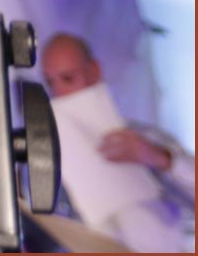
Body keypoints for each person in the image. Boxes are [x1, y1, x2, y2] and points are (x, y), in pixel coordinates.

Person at [41, 32, 194, 252]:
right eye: (50, 83)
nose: (58, 92)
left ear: (94, 71)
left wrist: (157, 157)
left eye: (68, 79)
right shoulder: (46, 161)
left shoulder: (145, 138)